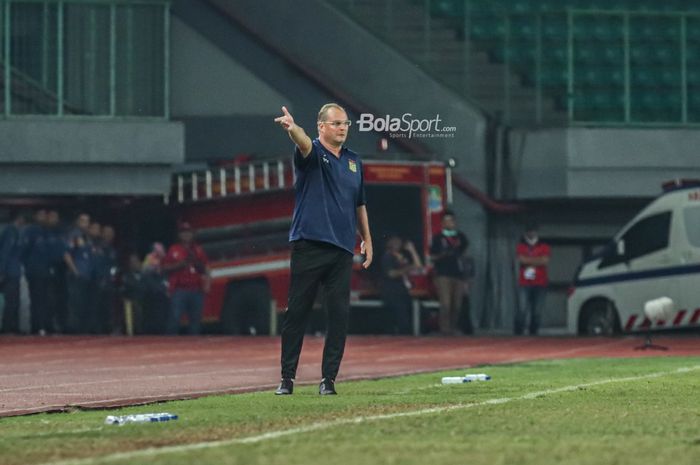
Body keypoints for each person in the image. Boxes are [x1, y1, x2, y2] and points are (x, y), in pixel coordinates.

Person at [273, 103, 372, 396]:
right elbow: (302, 141)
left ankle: (328, 379)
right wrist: (293, 129)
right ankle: (287, 378)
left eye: (346, 124)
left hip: (342, 249)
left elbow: (360, 203)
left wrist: (367, 238)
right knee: (297, 312)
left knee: (339, 314)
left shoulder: (354, 161)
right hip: (309, 244)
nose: (343, 128)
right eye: (337, 123)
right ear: (322, 127)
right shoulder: (313, 153)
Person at [162, 222, 210, 335]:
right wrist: (180, 264)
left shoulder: (198, 250)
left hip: (196, 290)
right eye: (183, 232)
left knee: (195, 322)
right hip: (179, 290)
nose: (186, 235)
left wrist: (196, 261)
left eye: (188, 232)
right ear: (179, 235)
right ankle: (170, 344)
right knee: (175, 319)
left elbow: (205, 269)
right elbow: (164, 267)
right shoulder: (173, 250)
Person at [430, 210, 469, 335]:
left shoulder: (460, 237)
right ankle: (444, 328)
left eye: (451, 221)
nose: (449, 223)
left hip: (458, 274)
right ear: (442, 223)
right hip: (443, 274)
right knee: (446, 303)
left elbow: (464, 254)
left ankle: (453, 327)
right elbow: (432, 256)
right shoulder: (438, 238)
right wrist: (443, 255)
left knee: (457, 304)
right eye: (446, 221)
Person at [380, 236, 422, 335]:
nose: (397, 244)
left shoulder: (401, 257)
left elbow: (418, 266)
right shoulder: (387, 257)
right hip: (391, 291)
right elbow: (391, 274)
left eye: (398, 241)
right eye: (394, 242)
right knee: (400, 315)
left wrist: (412, 251)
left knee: (410, 312)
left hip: (403, 290)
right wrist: (406, 269)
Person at [515, 221, 550, 335]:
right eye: (529, 231)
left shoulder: (544, 245)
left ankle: (533, 333)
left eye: (533, 231)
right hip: (524, 282)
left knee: (537, 311)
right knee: (522, 309)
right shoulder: (521, 245)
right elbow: (521, 259)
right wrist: (537, 261)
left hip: (540, 282)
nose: (531, 233)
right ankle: (518, 332)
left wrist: (529, 261)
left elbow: (545, 261)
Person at [22, 209, 52, 335]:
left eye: (45, 215)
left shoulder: (46, 232)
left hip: (46, 270)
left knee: (45, 299)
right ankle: (36, 326)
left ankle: (45, 324)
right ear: (35, 216)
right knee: (36, 299)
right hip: (34, 270)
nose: (43, 217)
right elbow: (24, 250)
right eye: (40, 215)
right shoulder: (30, 231)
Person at [63, 213, 94, 334]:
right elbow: (67, 254)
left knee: (83, 302)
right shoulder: (74, 235)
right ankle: (73, 328)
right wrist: (74, 270)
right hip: (77, 274)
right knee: (75, 302)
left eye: (87, 221)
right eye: (82, 220)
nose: (85, 223)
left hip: (87, 275)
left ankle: (82, 327)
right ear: (77, 221)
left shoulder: (87, 237)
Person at [0, 211, 27, 334]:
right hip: (9, 272)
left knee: (15, 301)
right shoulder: (10, 232)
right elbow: (5, 253)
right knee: (11, 301)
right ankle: (8, 327)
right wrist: (2, 271)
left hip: (14, 271)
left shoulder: (17, 233)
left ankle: (13, 326)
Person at [92, 225, 118, 334]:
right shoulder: (97, 248)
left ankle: (108, 328)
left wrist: (112, 277)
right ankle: (96, 329)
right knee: (97, 307)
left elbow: (114, 266)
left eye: (111, 233)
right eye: (106, 232)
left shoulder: (112, 250)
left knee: (108, 307)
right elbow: (96, 264)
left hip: (109, 282)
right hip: (97, 282)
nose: (108, 235)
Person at [142, 242, 169, 334]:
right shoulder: (149, 258)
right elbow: (146, 273)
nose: (159, 252)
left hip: (162, 293)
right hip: (151, 293)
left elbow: (165, 274)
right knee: (151, 315)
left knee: (162, 316)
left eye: (161, 250)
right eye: (157, 250)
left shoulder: (165, 260)